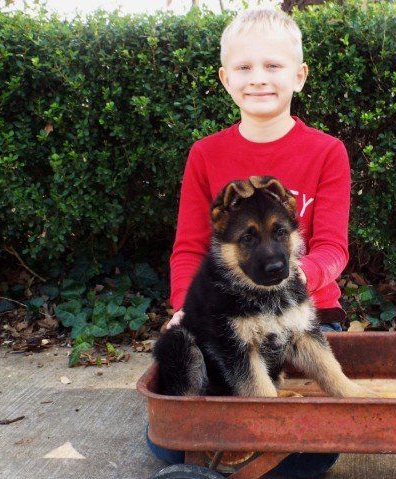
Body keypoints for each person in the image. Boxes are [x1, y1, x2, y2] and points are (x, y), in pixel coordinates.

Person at [147, 7, 351, 477]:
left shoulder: (326, 152)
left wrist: (298, 276)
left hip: (306, 315)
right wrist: (183, 307)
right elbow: (188, 248)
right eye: (244, 67)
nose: (258, 78)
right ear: (226, 79)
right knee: (168, 445)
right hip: (229, 312)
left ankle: (246, 448)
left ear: (299, 76)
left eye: (273, 65)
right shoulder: (205, 154)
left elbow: (333, 247)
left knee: (312, 452)